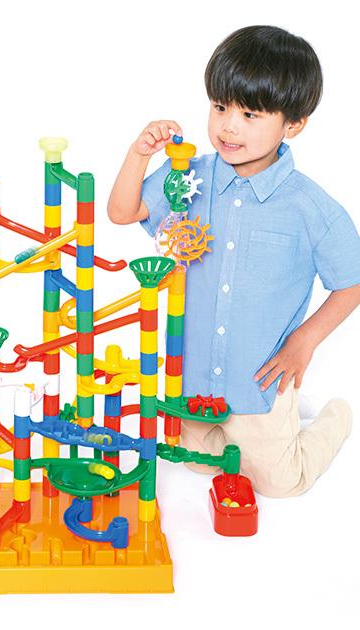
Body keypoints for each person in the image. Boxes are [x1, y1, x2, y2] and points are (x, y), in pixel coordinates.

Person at [107, 25, 360, 497]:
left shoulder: (309, 206)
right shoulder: (187, 177)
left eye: (250, 114)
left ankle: (334, 416)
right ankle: (283, 417)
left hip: (257, 384)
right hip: (194, 379)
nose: (228, 126)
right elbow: (123, 212)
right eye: (220, 107)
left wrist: (304, 341)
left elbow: (352, 280)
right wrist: (139, 154)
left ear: (293, 125)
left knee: (281, 485)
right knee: (198, 466)